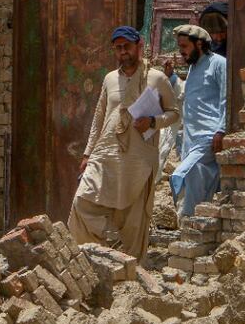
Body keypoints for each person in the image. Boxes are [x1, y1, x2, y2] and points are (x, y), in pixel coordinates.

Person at [69, 26, 179, 260]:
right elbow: (99, 118)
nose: (122, 52)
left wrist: (152, 122)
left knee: (134, 219)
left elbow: (174, 113)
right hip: (106, 152)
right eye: (118, 48)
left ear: (139, 46)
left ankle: (131, 272)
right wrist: (88, 154)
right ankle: (91, 258)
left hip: (138, 158)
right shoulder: (110, 79)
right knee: (83, 202)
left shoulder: (156, 78)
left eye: (126, 47)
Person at [168, 25, 226, 217]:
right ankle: (195, 226)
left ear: (199, 43)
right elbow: (189, 95)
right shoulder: (193, 67)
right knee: (195, 181)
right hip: (190, 140)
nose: (181, 51)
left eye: (184, 46)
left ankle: (188, 221)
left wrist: (221, 130)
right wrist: (172, 77)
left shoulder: (219, 63)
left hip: (209, 137)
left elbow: (227, 98)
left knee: (181, 174)